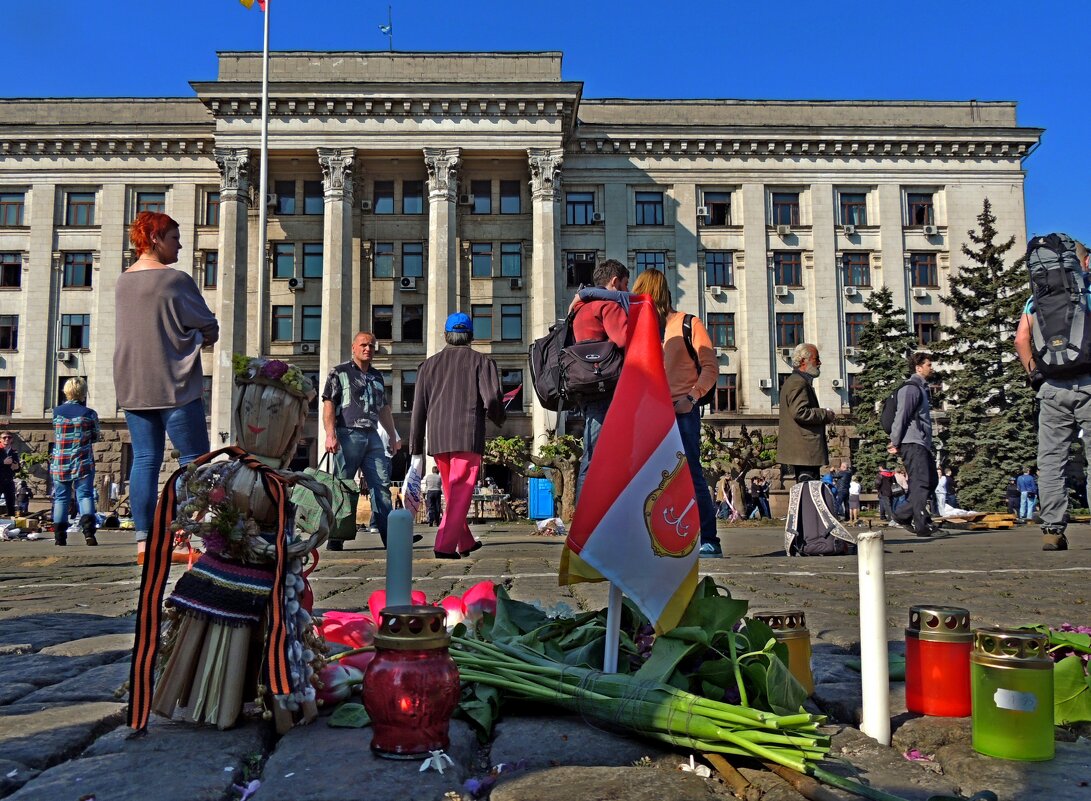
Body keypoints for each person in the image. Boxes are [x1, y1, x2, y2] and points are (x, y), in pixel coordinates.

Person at [114, 212, 218, 554]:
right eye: (174, 237)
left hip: (132, 383)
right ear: (156, 238)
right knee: (194, 460)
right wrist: (195, 339)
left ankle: (144, 542)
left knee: (144, 459)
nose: (180, 244)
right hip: (174, 383)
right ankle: (181, 537)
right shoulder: (176, 280)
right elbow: (207, 325)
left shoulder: (122, 281)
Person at [630, 268, 721, 557]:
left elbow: (710, 366)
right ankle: (659, 539)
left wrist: (691, 399)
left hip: (682, 413)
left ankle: (709, 539)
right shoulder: (641, 332)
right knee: (650, 478)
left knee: (690, 474)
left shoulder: (687, 324)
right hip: (651, 417)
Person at [1015, 239, 1091, 551]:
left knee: (1050, 461)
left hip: (1051, 389)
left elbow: (1021, 340)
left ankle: (1052, 530)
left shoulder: (1036, 299)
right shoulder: (1084, 294)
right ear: (1082, 263)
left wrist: (1035, 374)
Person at [409, 312, 505, 559]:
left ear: (446, 335)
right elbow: (493, 398)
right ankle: (444, 545)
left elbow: (418, 409)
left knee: (454, 493)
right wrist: (498, 417)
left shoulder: (428, 365)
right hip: (467, 434)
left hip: (439, 437)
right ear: (471, 335)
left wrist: (416, 446)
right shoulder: (482, 362)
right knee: (461, 492)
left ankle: (465, 542)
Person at [322, 331, 401, 551]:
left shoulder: (377, 376)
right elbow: (328, 404)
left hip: (372, 434)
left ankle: (390, 539)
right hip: (347, 433)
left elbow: (384, 408)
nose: (368, 349)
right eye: (364, 345)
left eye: (372, 346)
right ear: (354, 348)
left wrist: (393, 436)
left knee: (382, 486)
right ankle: (336, 538)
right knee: (343, 486)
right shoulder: (339, 372)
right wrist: (330, 433)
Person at [569, 259, 630, 501]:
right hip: (606, 385)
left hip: (585, 384)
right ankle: (587, 518)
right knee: (596, 454)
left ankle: (586, 516)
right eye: (625, 284)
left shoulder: (580, 307)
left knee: (592, 450)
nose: (626, 290)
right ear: (615, 282)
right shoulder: (606, 305)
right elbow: (624, 339)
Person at [888, 352, 945, 537]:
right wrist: (895, 441)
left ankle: (903, 515)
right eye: (929, 364)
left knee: (931, 480)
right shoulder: (911, 388)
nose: (932, 367)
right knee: (920, 483)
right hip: (911, 442)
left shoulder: (921, 388)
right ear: (918, 367)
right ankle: (922, 526)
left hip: (921, 443)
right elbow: (901, 416)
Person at [50, 377, 100, 546]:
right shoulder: (89, 413)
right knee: (85, 495)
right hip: (82, 460)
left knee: (61, 498)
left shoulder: (56, 412)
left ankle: (59, 537)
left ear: (66, 391)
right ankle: (88, 534)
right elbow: (95, 436)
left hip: (60, 461)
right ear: (83, 392)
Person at [777, 344, 836, 482]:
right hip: (805, 451)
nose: (820, 363)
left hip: (803, 451)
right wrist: (826, 414)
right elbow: (800, 412)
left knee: (807, 491)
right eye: (816, 359)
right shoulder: (798, 383)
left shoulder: (796, 381)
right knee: (808, 491)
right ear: (804, 361)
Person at [0, 432, 18, 517]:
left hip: (9, 480)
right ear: (0, 439)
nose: (7, 439)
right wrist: (3, 462)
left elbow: (17, 467)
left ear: (12, 440)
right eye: (4, 437)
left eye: (9, 437)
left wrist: (17, 467)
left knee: (11, 504)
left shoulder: (13, 451)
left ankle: (11, 523)